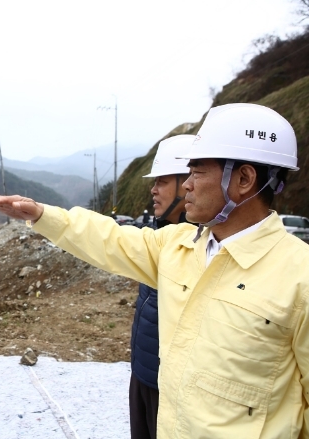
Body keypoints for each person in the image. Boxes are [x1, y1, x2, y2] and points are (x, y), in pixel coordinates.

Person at [0, 103, 309, 438]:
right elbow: (111, 239)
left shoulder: (299, 275)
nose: (188, 185)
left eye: (197, 172)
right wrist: (42, 214)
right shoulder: (178, 246)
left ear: (244, 179)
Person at [130, 135, 193, 439]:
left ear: (188, 183)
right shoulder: (160, 235)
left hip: (171, 390)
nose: (153, 189)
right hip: (143, 374)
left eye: (163, 181)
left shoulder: (204, 247)